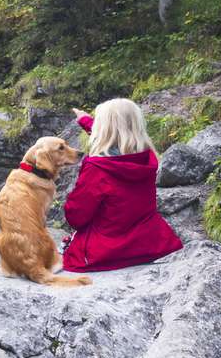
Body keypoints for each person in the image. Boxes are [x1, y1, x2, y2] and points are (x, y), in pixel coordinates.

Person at [62, 98, 182, 272]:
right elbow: (117, 138)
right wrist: (86, 121)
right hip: (147, 245)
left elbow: (76, 217)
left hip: (104, 253)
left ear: (102, 130)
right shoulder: (146, 158)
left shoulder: (97, 169)